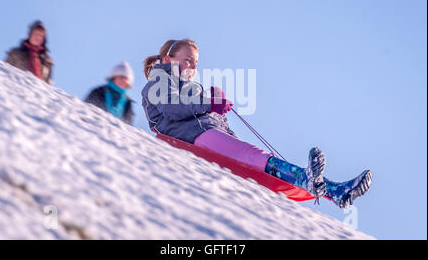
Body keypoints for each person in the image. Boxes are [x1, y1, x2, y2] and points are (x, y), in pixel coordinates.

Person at [141, 39, 372, 209]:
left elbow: (216, 124)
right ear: (169, 60)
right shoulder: (158, 83)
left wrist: (219, 113)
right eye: (187, 60)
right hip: (193, 135)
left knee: (254, 156)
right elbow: (173, 109)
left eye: (196, 62)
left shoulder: (193, 88)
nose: (192, 66)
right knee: (253, 157)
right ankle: (310, 180)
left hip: (208, 133)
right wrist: (210, 102)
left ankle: (336, 192)